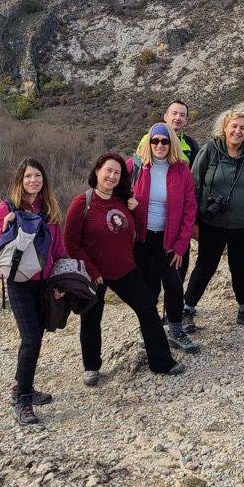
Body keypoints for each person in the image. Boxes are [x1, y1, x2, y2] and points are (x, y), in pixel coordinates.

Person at [65, 152, 185, 386]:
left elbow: (140, 232)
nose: (111, 176)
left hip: (125, 269)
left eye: (117, 173)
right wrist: (92, 270)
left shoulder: (123, 201)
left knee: (148, 310)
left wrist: (137, 208)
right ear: (97, 171)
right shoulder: (83, 202)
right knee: (91, 318)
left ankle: (161, 361)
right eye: (108, 170)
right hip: (95, 274)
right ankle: (91, 366)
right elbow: (70, 242)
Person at [0, 158, 69, 425]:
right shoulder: (8, 207)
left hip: (43, 284)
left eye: (38, 176)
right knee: (31, 340)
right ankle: (22, 400)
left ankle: (24, 386)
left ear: (44, 181)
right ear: (20, 180)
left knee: (35, 338)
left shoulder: (50, 209)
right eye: (28, 177)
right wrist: (5, 226)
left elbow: (58, 249)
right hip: (18, 284)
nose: (33, 181)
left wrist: (61, 282)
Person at [183, 110, 244, 330]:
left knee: (240, 267)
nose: (237, 131)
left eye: (243, 128)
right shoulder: (210, 150)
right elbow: (194, 187)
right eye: (233, 126)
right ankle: (186, 310)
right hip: (212, 223)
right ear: (224, 127)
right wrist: (193, 221)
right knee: (205, 266)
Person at [129, 125, 199, 353]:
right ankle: (149, 329)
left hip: (168, 241)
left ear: (172, 144)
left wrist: (181, 246)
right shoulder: (136, 167)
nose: (160, 145)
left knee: (174, 285)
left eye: (165, 141)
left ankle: (176, 331)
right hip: (141, 239)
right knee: (147, 288)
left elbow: (190, 209)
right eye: (155, 141)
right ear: (148, 143)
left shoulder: (182, 171)